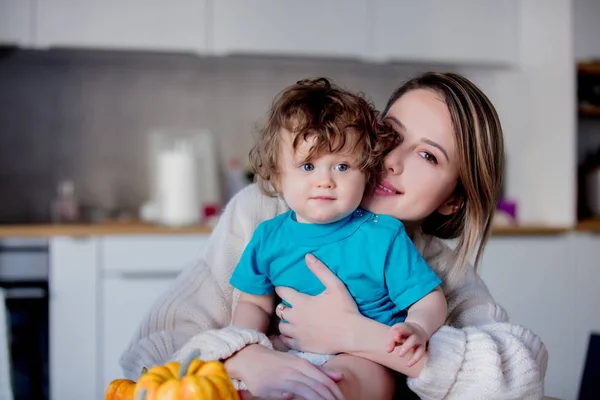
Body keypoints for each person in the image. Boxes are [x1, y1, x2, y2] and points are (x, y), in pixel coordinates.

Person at [119, 72, 548, 400]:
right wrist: (247, 358)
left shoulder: (435, 263)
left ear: (453, 200)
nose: (393, 160)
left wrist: (360, 336)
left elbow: (521, 374)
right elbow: (148, 353)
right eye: (391, 134)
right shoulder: (264, 211)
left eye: (427, 155)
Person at [229, 78, 446, 369]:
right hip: (291, 350)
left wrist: (418, 328)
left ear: (367, 172)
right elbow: (254, 303)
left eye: (342, 167)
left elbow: (428, 296)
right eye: (308, 166)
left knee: (345, 379)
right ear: (277, 177)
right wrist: (247, 349)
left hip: (362, 358)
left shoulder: (384, 235)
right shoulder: (267, 236)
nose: (325, 181)